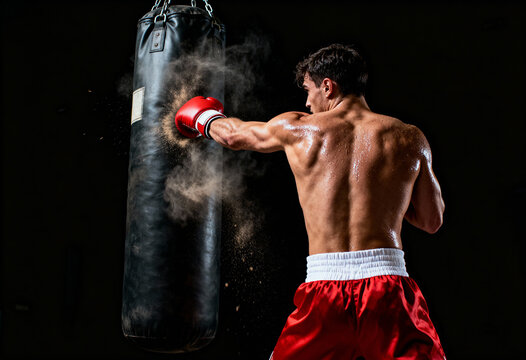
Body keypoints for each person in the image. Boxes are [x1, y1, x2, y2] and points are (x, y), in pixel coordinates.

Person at [174, 44, 446, 360]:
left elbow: (235, 135)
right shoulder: (409, 138)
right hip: (388, 290)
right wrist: (389, 195)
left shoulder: (300, 128)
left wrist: (202, 115)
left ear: (328, 86)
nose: (306, 101)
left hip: (324, 291)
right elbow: (431, 220)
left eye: (308, 90)